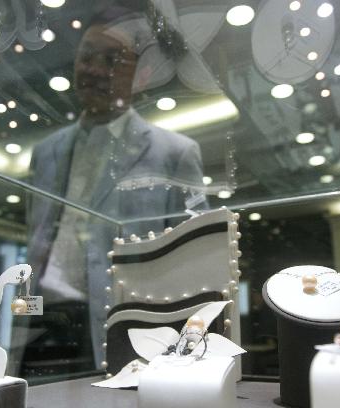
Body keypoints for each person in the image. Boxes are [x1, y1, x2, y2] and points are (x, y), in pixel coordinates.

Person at [26, 7, 205, 371]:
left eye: (112, 60)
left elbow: (194, 265)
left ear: (142, 75)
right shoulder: (45, 152)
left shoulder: (174, 153)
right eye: (86, 56)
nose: (93, 69)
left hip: (124, 329)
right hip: (39, 321)